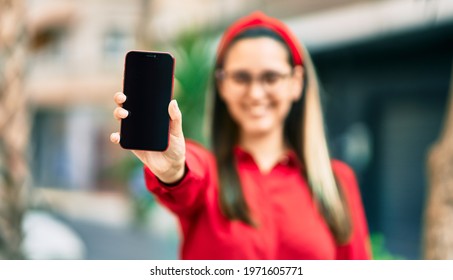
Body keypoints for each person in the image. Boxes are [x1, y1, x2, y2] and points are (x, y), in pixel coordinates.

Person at [110, 11, 371, 260]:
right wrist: (172, 170)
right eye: (241, 78)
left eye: (271, 77)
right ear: (222, 84)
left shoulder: (338, 182)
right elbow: (188, 173)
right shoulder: (207, 176)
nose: (256, 93)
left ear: (296, 82)